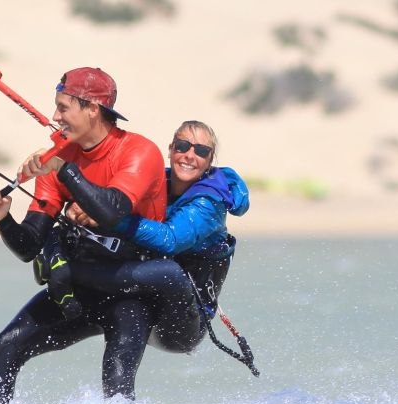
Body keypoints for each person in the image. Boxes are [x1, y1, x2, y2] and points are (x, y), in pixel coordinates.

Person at [0, 67, 166, 404]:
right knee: (6, 344)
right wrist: (2, 219)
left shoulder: (139, 151)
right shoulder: (58, 158)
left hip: (132, 290)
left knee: (117, 378)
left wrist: (63, 168)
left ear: (92, 108)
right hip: (80, 289)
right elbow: (29, 246)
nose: (56, 116)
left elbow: (112, 210)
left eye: (63, 107)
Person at [46, 120, 249, 354]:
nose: (190, 155)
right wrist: (81, 207)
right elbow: (110, 201)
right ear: (170, 149)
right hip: (143, 294)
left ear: (210, 160)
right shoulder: (157, 181)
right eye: (183, 146)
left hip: (183, 321)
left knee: (170, 273)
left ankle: (67, 272)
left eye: (201, 151)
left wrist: (109, 218)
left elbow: (169, 240)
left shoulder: (210, 202)